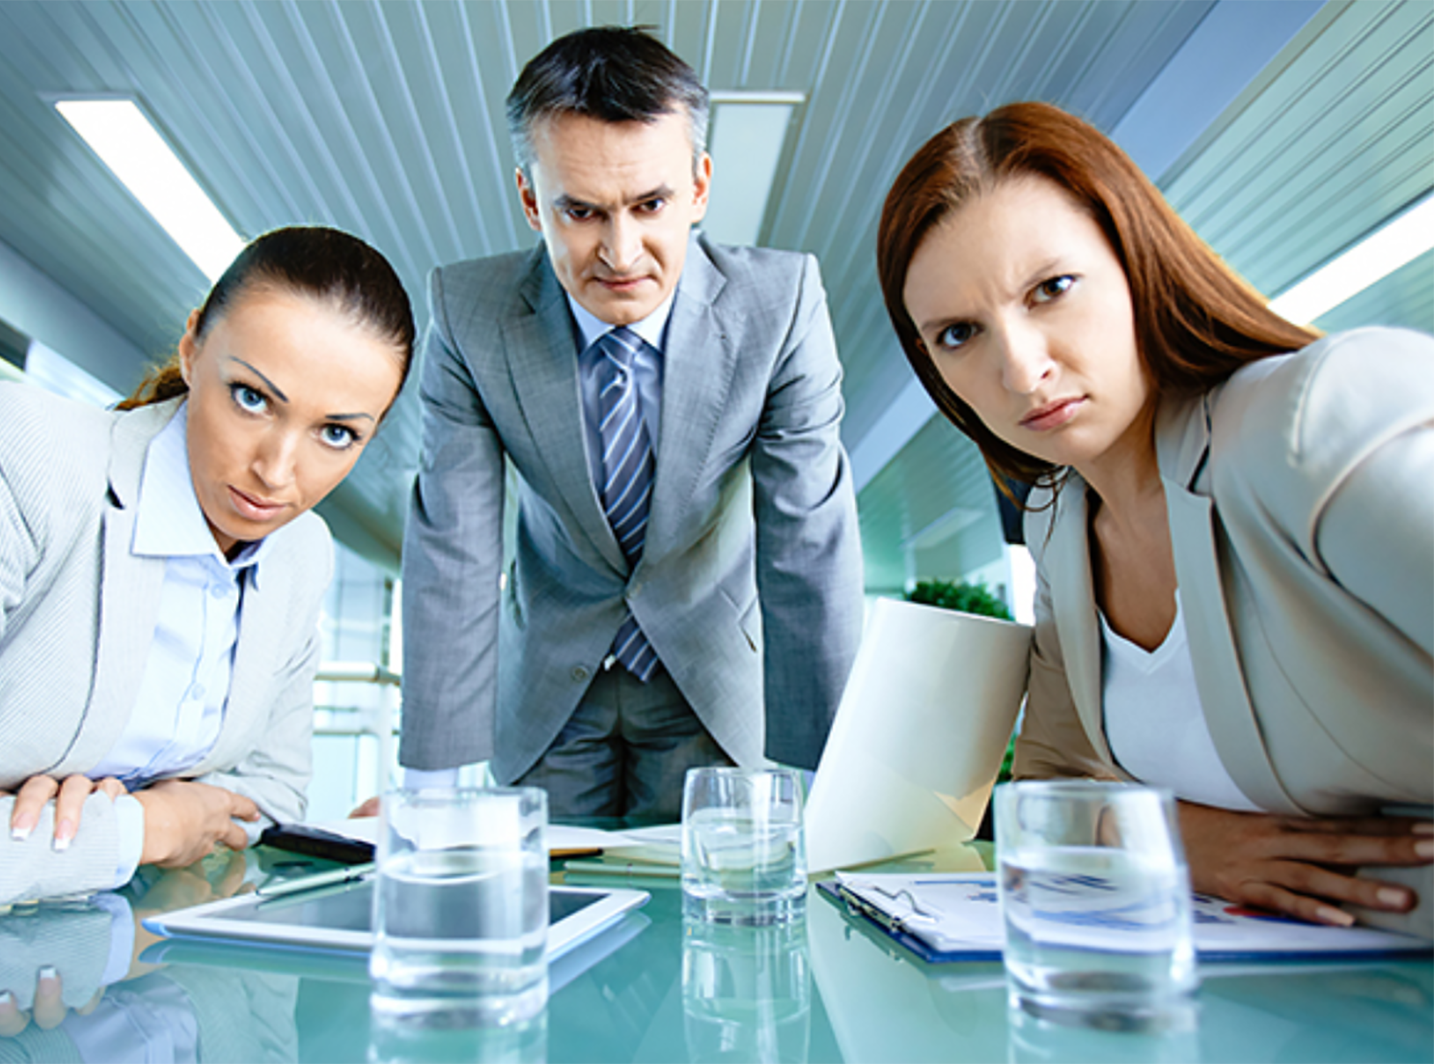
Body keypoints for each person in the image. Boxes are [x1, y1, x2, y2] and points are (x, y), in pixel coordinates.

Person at [875, 100, 1434, 927]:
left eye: (1052, 289)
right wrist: (1171, 838)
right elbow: (1050, 797)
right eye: (960, 334)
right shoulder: (1059, 524)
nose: (1022, 371)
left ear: (1137, 261)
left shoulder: (1311, 424)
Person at [0, 226, 414, 938]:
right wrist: (133, 830)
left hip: (102, 965)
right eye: (252, 398)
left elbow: (261, 803)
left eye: (336, 434)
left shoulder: (300, 553)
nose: (276, 471)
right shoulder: (12, 461)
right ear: (193, 345)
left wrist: (87, 825)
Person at [397, 26, 864, 817]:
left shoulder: (780, 307)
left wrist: (829, 781)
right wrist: (433, 794)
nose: (620, 253)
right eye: (580, 211)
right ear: (529, 201)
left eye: (651, 205)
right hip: (546, 687)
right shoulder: (468, 314)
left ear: (700, 187)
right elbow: (454, 551)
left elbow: (807, 549)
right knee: (538, 918)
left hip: (712, 684)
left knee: (710, 924)